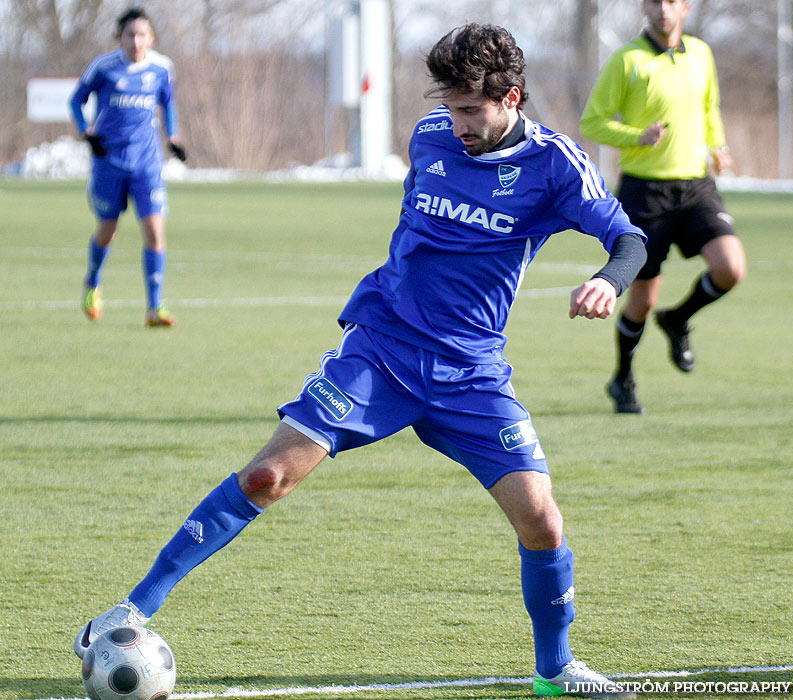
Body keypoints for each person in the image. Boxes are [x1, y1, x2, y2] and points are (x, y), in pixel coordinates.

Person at [73, 24, 645, 699]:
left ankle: (555, 670)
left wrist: (608, 278)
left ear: (511, 98)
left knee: (542, 521)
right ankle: (130, 610)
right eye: (450, 106)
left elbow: (628, 238)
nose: (454, 123)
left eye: (470, 110)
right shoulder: (430, 136)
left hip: (470, 373)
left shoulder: (556, 166)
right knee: (266, 475)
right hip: (381, 349)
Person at [580, 0, 746, 414]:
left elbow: (710, 109)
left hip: (695, 186)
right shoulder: (628, 60)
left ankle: (678, 320)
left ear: (685, 7)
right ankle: (623, 378)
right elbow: (592, 122)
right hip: (645, 193)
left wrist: (718, 146)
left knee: (730, 267)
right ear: (644, 8)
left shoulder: (702, 53)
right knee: (642, 300)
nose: (662, 10)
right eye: (654, 2)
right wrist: (637, 136)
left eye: (671, 1)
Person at [69, 7, 187, 327]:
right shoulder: (104, 68)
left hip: (147, 164)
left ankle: (154, 307)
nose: (136, 41)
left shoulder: (162, 68)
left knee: (154, 231)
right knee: (107, 231)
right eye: (129, 35)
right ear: (119, 38)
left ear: (152, 38)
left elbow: (168, 101)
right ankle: (92, 281)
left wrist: (172, 136)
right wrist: (87, 133)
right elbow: (75, 100)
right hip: (109, 163)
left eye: (141, 34)